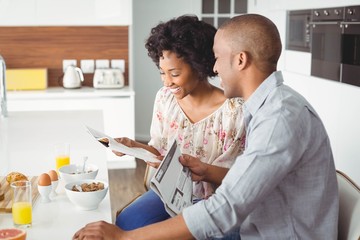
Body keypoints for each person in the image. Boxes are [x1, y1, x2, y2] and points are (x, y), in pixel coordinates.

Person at [73, 13, 339, 240]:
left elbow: (224, 209)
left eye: (217, 58)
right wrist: (205, 171)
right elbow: (243, 185)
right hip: (257, 220)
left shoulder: (278, 118)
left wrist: (125, 238)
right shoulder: (270, 106)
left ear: (240, 60)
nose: (213, 67)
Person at [113, 15, 246, 231]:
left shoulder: (234, 111)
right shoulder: (165, 98)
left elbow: (241, 179)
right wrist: (134, 147)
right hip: (169, 196)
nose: (167, 82)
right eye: (162, 73)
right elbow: (159, 151)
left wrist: (204, 171)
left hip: (215, 202)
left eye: (174, 74)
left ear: (199, 66)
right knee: (127, 223)